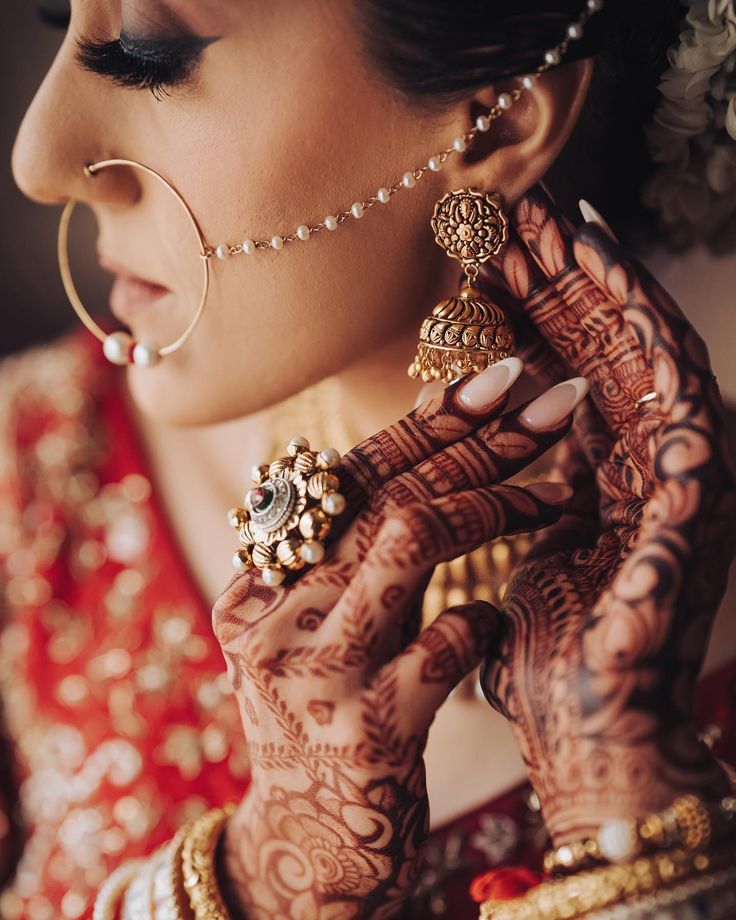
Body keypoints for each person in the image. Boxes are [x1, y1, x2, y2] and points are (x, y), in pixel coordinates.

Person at [2, 0, 735, 917]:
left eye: (153, 59)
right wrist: (258, 880)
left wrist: (636, 825)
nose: (38, 156)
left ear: (497, 122)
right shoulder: (33, 472)